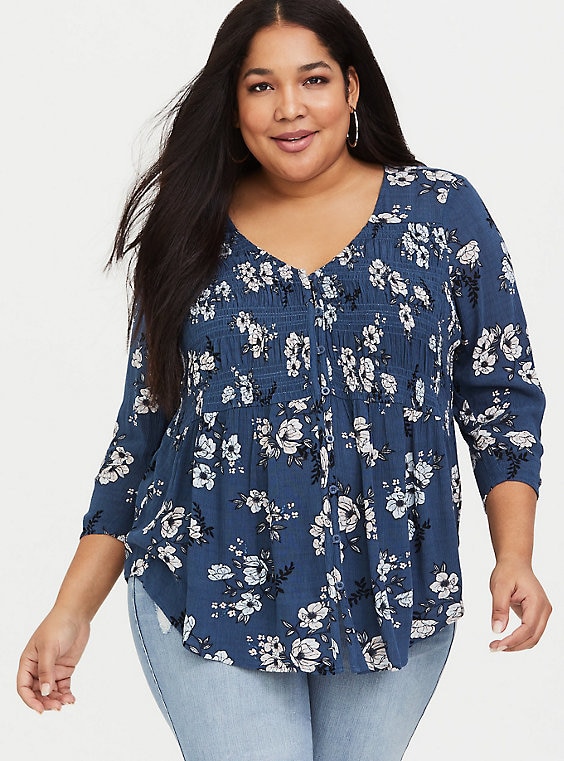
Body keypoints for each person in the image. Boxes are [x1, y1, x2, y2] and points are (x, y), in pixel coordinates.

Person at [17, 1, 552, 759]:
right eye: (261, 85)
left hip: (392, 593)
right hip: (209, 589)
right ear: (233, 102)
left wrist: (515, 554)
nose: (289, 108)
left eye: (314, 80)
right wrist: (72, 608)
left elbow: (501, 397)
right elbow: (143, 430)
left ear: (352, 88)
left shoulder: (440, 214)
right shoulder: (191, 226)